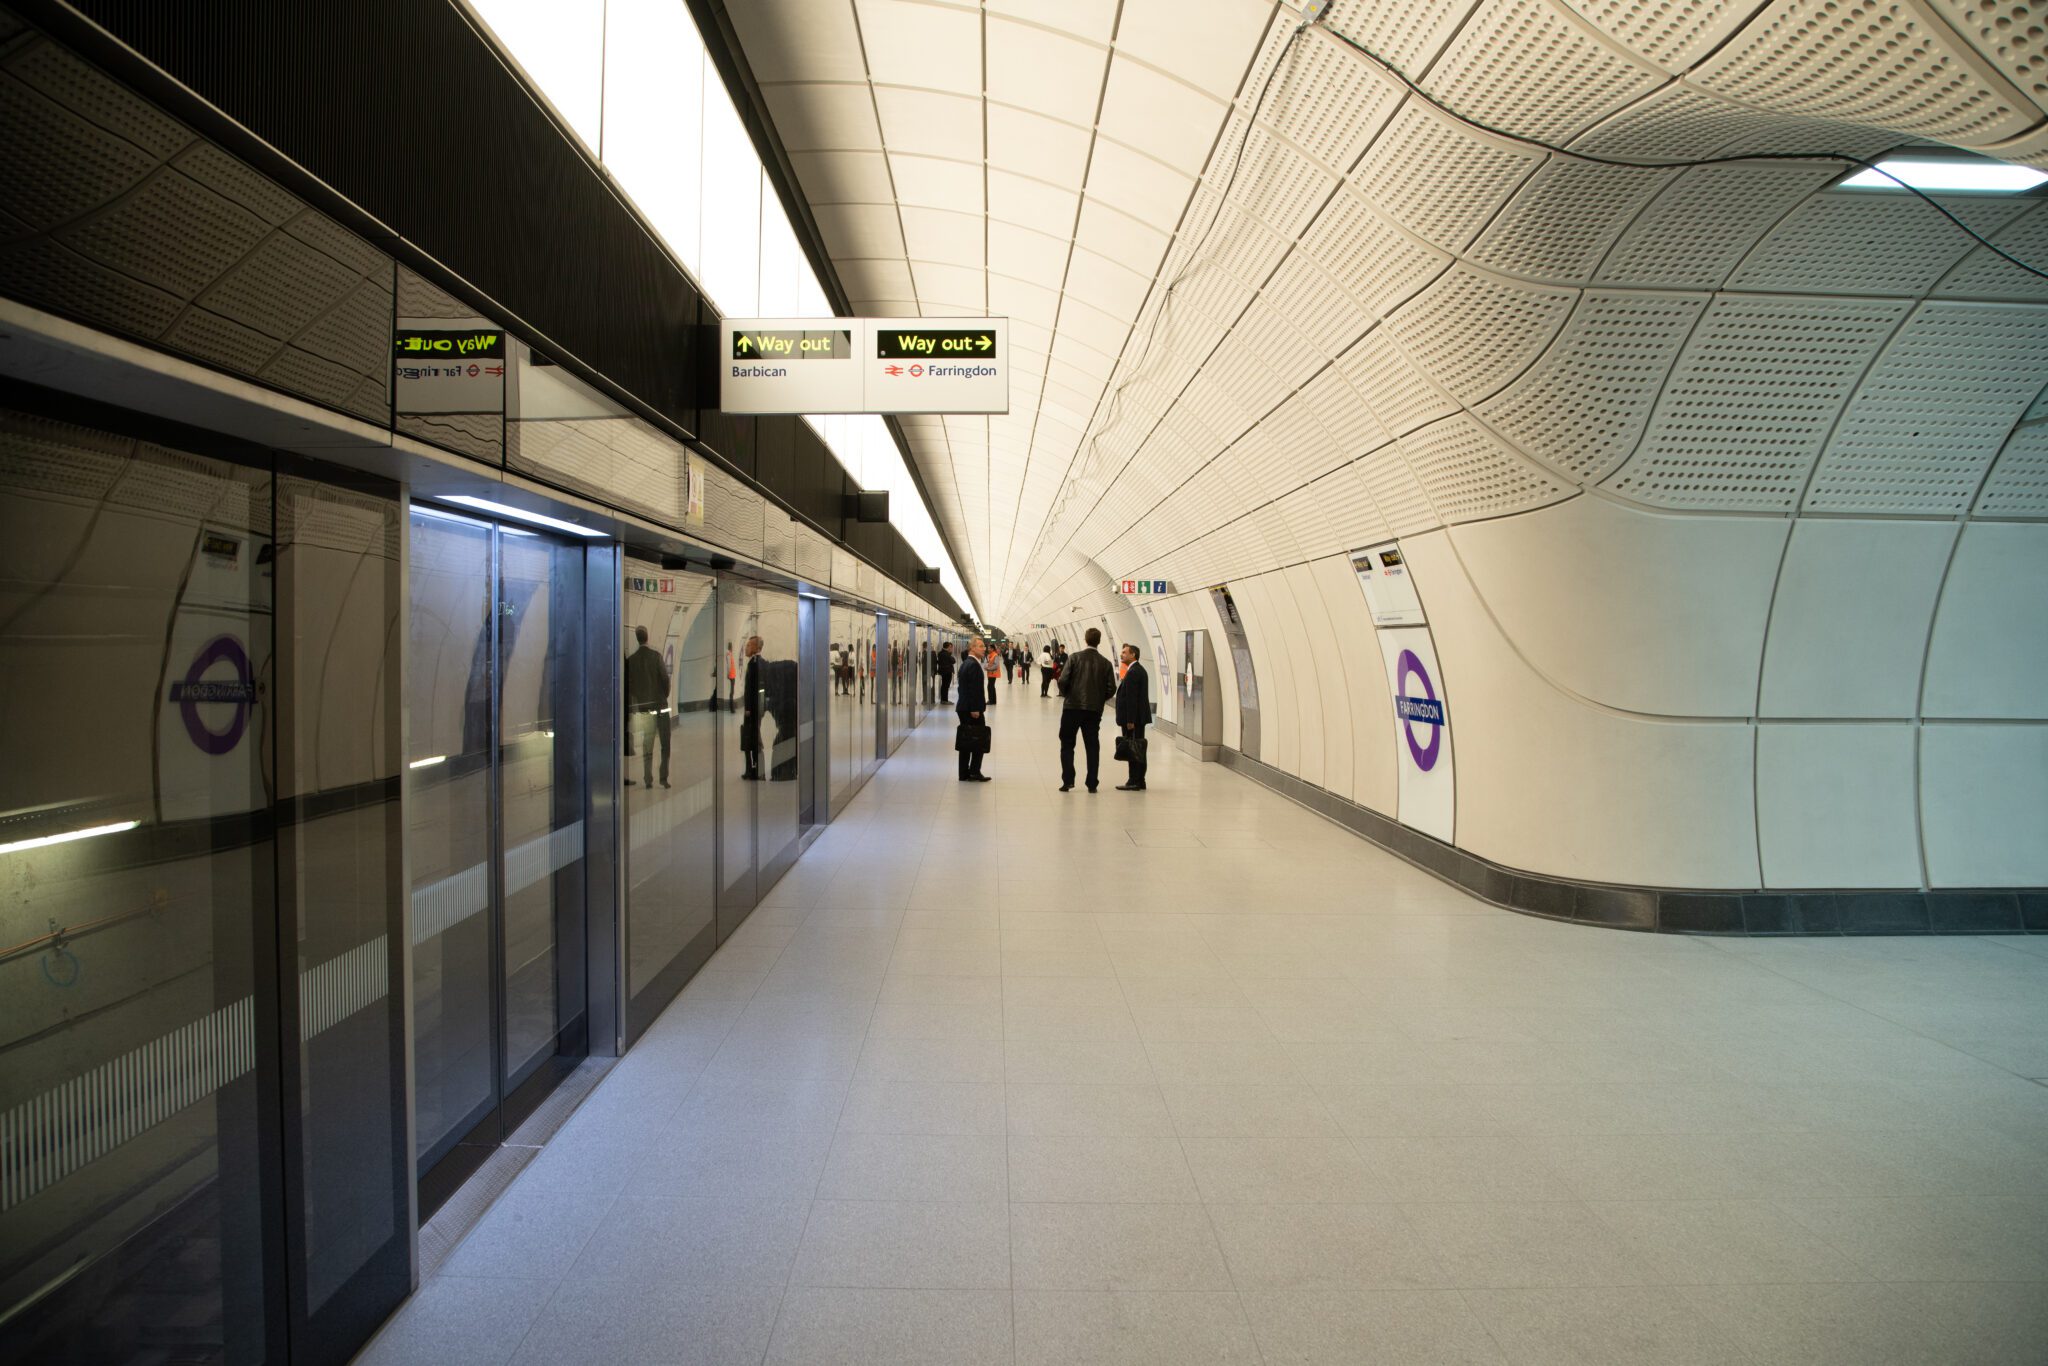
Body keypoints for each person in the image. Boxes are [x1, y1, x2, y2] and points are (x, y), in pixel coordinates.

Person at [1055, 626, 1115, 793]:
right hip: (1093, 711)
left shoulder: (1074, 658)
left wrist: (1069, 695)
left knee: (1067, 744)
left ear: (1085, 640)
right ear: (1099, 641)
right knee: (1092, 745)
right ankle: (1092, 783)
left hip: (1072, 708)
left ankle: (1068, 781)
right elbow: (1111, 688)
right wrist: (1098, 700)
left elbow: (1062, 680)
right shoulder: (1106, 663)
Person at [623, 624, 671, 788]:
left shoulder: (631, 661)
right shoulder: (656, 656)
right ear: (647, 637)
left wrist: (640, 702)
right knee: (665, 744)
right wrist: (664, 696)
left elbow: (631, 687)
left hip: (645, 709)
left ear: (637, 639)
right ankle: (663, 779)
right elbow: (665, 679)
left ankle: (648, 779)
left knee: (647, 744)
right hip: (661, 707)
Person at [1114, 643, 1149, 791]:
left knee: (1133, 748)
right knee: (1138, 747)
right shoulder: (1136, 670)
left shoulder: (1134, 672)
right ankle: (1140, 780)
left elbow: (1132, 699)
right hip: (1137, 718)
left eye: (1124, 652)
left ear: (1132, 654)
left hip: (1133, 719)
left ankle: (1134, 780)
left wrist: (1130, 720)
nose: (1121, 654)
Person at [955, 636, 990, 782]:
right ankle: (974, 771)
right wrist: (975, 709)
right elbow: (973, 689)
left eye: (984, 646)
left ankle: (964, 773)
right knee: (977, 739)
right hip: (971, 710)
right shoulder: (973, 665)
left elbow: (962, 688)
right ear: (973, 648)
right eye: (981, 646)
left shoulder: (966, 663)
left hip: (964, 707)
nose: (984, 649)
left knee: (965, 740)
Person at [739, 634, 764, 779]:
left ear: (756, 647)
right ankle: (752, 768)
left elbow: (752, 689)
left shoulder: (754, 664)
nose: (746, 647)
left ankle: (753, 769)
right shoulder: (755, 663)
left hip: (752, 710)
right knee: (752, 738)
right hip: (755, 708)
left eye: (749, 645)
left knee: (751, 738)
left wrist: (748, 708)